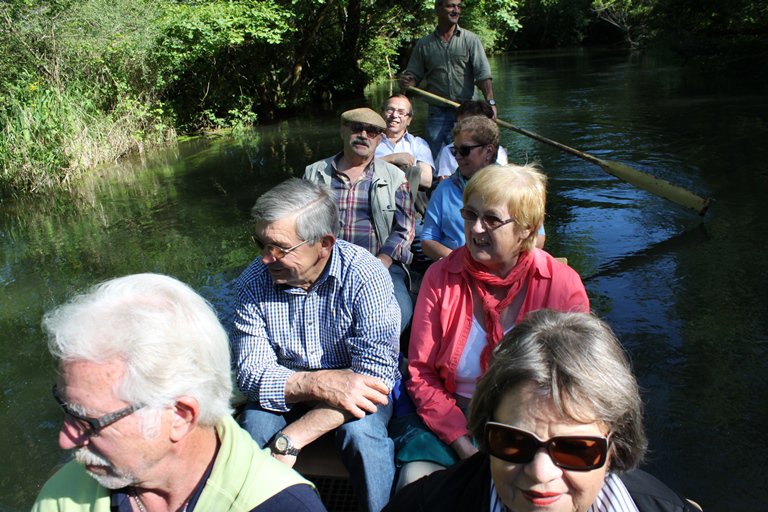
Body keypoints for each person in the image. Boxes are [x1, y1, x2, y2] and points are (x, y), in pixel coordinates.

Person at [33, 273, 326, 512]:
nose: (64, 439)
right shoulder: (61, 498)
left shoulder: (283, 506)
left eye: (89, 422)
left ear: (180, 416)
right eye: (66, 408)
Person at [384, 309, 703, 512]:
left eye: (576, 449)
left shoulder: (662, 506)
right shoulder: (425, 505)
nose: (540, 473)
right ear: (487, 435)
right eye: (514, 442)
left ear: (613, 448)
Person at [392, 164, 589, 489]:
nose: (475, 229)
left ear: (526, 229)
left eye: (492, 219)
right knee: (415, 486)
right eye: (470, 214)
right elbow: (421, 373)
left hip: (534, 422)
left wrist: (517, 438)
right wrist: (462, 441)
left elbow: (573, 380)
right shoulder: (440, 277)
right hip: (451, 413)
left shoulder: (561, 286)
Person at [231, 179, 400, 512]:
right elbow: (252, 374)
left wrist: (292, 439)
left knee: (363, 436)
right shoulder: (252, 283)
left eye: (279, 248)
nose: (266, 258)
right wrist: (316, 383)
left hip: (360, 393)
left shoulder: (365, 275)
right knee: (255, 426)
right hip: (290, 393)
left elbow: (374, 378)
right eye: (261, 244)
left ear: (324, 244)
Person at [304, 107, 415, 333]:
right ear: (343, 131)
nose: (364, 135)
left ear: (380, 139)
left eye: (372, 132)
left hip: (380, 263)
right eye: (357, 128)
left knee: (399, 312)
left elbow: (405, 229)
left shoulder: (395, 177)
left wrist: (383, 260)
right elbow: (299, 224)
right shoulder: (314, 173)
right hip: (324, 263)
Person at [421, 118, 546, 262]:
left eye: (464, 150)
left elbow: (537, 238)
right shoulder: (445, 190)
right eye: (454, 150)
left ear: (488, 151)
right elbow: (428, 240)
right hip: (459, 270)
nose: (457, 157)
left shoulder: (516, 187)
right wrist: (464, 261)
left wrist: (499, 261)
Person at [399, 0, 496, 156]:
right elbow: (413, 76)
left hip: (468, 112)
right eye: (451, 6)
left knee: (472, 155)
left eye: (459, 6)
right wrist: (407, 81)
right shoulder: (424, 44)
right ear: (437, 8)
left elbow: (483, 75)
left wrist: (491, 102)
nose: (456, 10)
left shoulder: (471, 40)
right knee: (436, 157)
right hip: (437, 113)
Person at [375, 94, 435, 198]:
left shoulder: (418, 144)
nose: (394, 115)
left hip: (409, 202)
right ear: (382, 113)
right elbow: (360, 171)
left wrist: (380, 166)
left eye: (401, 112)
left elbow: (426, 180)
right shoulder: (370, 141)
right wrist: (391, 159)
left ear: (409, 120)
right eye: (390, 110)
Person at [435, 100, 509, 180]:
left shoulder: (499, 151)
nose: (457, 157)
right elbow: (444, 180)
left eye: (469, 123)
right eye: (460, 123)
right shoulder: (448, 151)